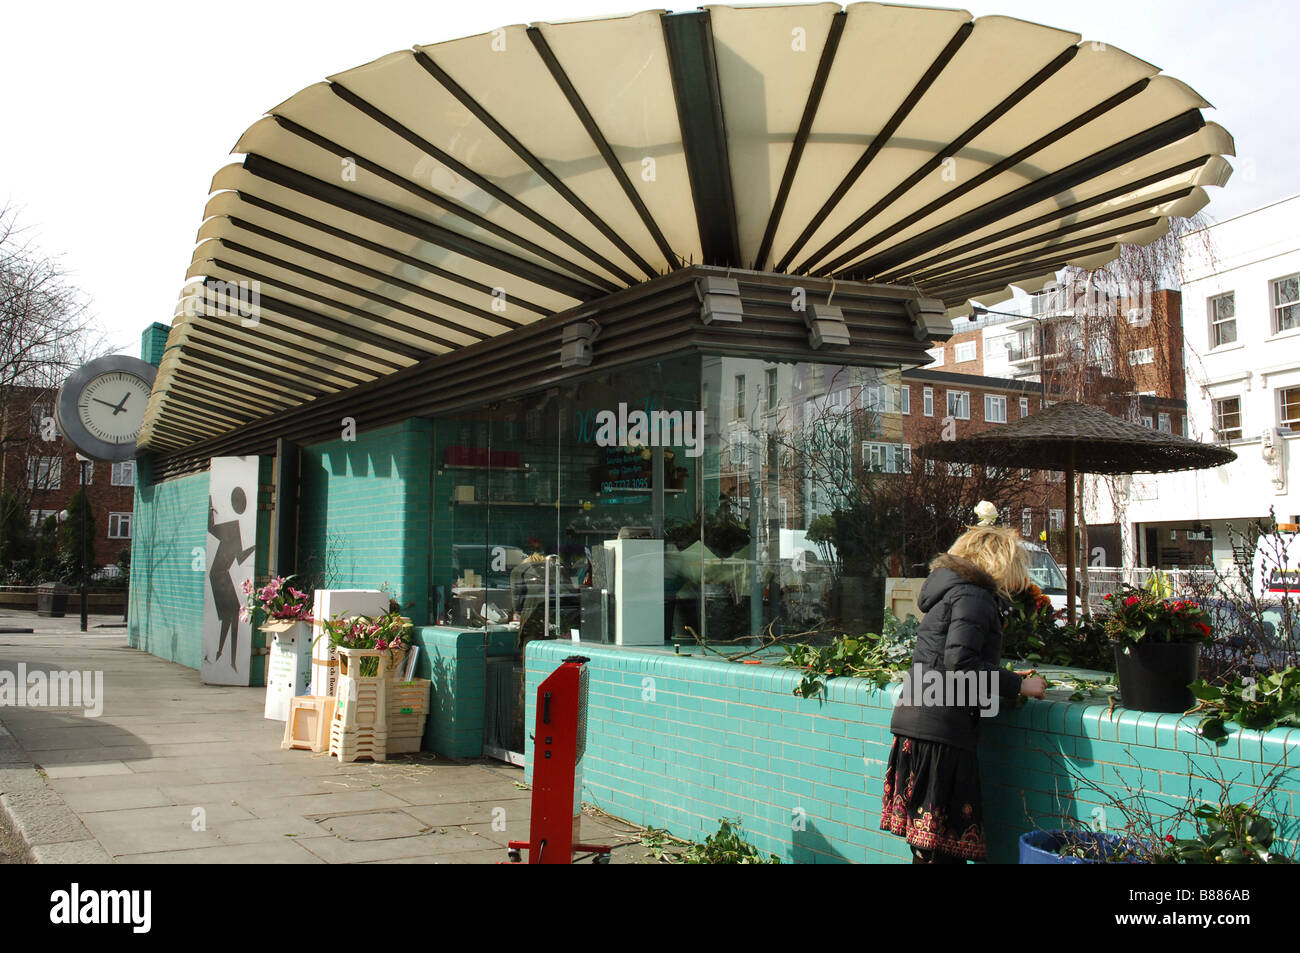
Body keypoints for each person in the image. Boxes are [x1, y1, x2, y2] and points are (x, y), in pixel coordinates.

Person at [880, 525, 1047, 864]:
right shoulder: (973, 595)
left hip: (920, 722)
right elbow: (961, 663)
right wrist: (1018, 685)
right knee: (941, 849)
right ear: (997, 560)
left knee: (933, 848)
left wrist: (1006, 676)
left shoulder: (952, 591)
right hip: (942, 731)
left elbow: (952, 656)